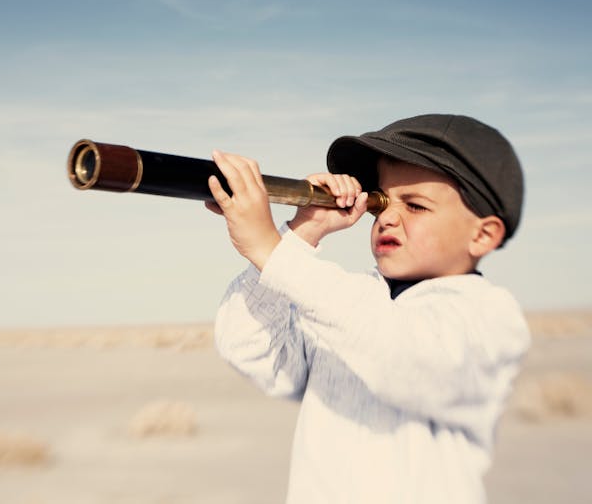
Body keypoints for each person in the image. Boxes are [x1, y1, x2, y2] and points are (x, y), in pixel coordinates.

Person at [205, 114, 530, 504]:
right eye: (381, 203)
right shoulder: (348, 298)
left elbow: (399, 356)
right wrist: (301, 234)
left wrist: (269, 248)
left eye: (416, 207)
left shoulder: (489, 315)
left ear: (482, 234)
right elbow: (249, 350)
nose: (388, 217)